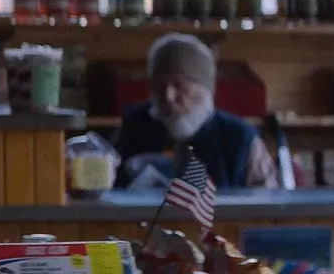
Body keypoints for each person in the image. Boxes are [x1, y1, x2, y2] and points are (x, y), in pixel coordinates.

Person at [113, 33, 278, 189]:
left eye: (179, 85)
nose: (168, 96)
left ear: (204, 89)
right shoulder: (135, 126)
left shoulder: (239, 138)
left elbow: (265, 202)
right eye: (159, 86)